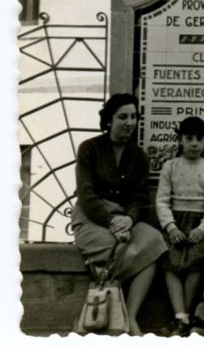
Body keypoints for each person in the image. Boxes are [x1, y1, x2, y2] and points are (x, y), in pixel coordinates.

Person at [71, 93, 167, 335]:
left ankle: (130, 317)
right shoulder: (89, 149)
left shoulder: (139, 156)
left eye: (134, 117)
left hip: (125, 219)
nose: (129, 122)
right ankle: (101, 309)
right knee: (120, 245)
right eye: (123, 116)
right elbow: (86, 193)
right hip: (93, 218)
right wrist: (112, 221)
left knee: (154, 242)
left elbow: (139, 197)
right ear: (109, 120)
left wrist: (129, 218)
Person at [155, 116, 204, 336]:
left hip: (200, 224)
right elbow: (162, 200)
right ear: (180, 140)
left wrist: (203, 228)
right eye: (189, 138)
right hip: (176, 224)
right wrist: (170, 227)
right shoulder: (170, 166)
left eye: (199, 138)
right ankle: (180, 314)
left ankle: (183, 319)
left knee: (196, 260)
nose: (194, 143)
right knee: (170, 261)